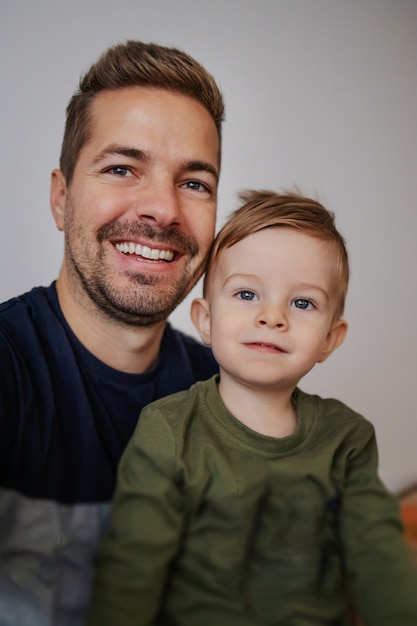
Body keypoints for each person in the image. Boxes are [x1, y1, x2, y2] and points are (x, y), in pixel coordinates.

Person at [88, 190, 417, 626]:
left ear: (330, 339)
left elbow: (379, 558)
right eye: (246, 294)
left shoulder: (347, 439)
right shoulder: (168, 430)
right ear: (205, 319)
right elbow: (131, 571)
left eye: (302, 303)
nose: (272, 316)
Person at [0, 40, 224, 625]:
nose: (163, 210)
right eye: (122, 168)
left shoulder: (231, 397)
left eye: (194, 183)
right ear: (61, 196)